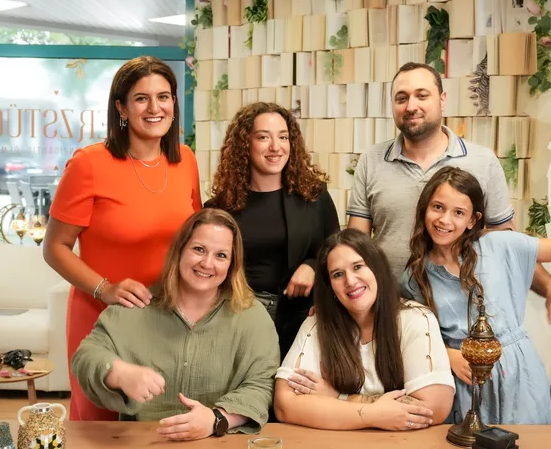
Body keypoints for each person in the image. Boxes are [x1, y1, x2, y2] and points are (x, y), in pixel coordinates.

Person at [347, 62, 551, 343]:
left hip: (464, 325)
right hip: (391, 318)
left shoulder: (481, 161)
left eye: (422, 95)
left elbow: (506, 242)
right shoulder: (371, 160)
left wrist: (549, 287)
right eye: (401, 98)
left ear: (442, 100)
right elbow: (355, 245)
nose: (411, 105)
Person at [44, 56, 202, 421]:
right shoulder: (89, 164)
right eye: (141, 98)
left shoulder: (186, 161)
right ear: (122, 107)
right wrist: (105, 288)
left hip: (168, 318)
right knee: (102, 424)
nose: (155, 108)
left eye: (164, 97)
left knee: (161, 420)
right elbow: (54, 248)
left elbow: (195, 238)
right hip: (103, 317)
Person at [400, 167, 551, 425]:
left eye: (458, 212)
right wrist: (447, 354)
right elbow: (415, 338)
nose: (445, 220)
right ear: (424, 209)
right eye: (437, 207)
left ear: (472, 220)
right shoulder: (414, 278)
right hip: (464, 381)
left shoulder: (500, 245)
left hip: (520, 376)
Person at [71, 208, 279, 440]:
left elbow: (262, 384)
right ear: (179, 250)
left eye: (221, 255)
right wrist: (117, 372)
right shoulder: (137, 305)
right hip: (144, 441)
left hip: (220, 441)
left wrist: (217, 419)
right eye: (199, 249)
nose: (207, 263)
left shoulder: (252, 316)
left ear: (232, 264)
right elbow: (84, 357)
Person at [273, 228, 456, 431]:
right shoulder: (317, 323)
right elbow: (284, 404)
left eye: (358, 267)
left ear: (377, 269)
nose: (350, 281)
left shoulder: (416, 318)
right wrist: (375, 414)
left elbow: (434, 407)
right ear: (330, 286)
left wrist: (340, 398)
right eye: (338, 274)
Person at [205, 102, 340, 360]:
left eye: (283, 137)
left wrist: (312, 265)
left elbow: (337, 247)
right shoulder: (220, 207)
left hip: (302, 318)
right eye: (263, 137)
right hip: (238, 317)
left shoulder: (314, 195)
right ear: (245, 145)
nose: (276, 147)